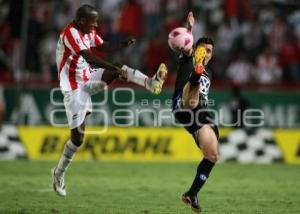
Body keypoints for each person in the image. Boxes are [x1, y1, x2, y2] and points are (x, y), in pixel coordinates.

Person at [51, 4, 168, 197]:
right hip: (73, 88)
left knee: (118, 65)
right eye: (93, 22)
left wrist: (120, 45)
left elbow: (102, 46)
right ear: (82, 21)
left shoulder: (87, 30)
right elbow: (89, 56)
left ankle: (150, 83)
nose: (96, 24)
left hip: (88, 78)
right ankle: (59, 173)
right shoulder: (70, 34)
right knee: (78, 139)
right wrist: (115, 71)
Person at [171, 12, 219, 213]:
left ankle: (191, 194)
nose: (207, 53)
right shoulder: (188, 56)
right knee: (193, 94)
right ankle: (194, 78)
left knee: (213, 155)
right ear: (197, 49)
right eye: (204, 49)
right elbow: (185, 42)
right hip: (183, 105)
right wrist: (190, 28)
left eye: (209, 51)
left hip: (200, 115)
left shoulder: (210, 73)